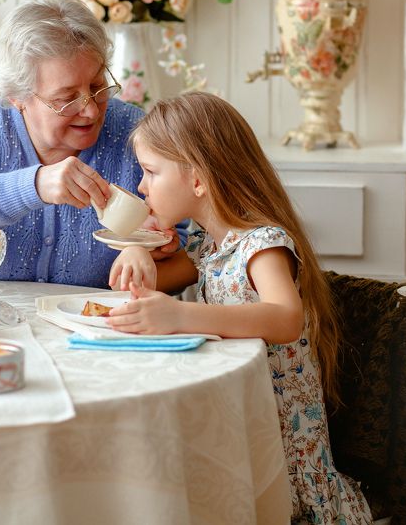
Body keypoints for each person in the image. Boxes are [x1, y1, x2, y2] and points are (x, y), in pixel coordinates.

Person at [107, 92, 372, 525]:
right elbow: (147, 282)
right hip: (244, 424)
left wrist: (180, 315)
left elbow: (284, 317)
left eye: (151, 172)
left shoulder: (260, 243)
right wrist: (136, 248)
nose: (140, 186)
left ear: (197, 179)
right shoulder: (209, 246)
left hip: (285, 453)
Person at [0, 0, 185, 290]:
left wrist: (146, 248)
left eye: (97, 86)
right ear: (17, 97)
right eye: (66, 98)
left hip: (92, 324)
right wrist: (32, 186)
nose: (91, 110)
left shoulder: (134, 130)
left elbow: (186, 247)